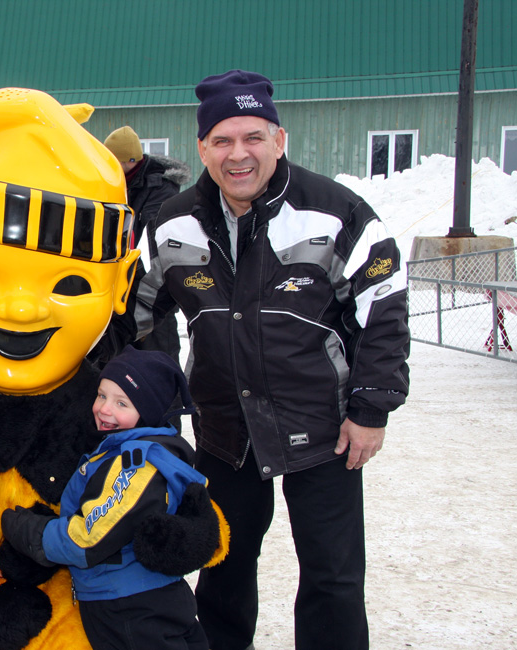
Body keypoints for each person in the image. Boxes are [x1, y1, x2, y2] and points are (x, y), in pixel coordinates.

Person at [132, 70, 410, 650]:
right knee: (224, 565)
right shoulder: (171, 224)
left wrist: (373, 408)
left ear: (279, 140)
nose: (240, 155)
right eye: (223, 140)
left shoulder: (334, 213)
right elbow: (133, 315)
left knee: (332, 575)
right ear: (202, 146)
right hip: (224, 429)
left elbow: (383, 309)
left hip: (324, 427)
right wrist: (132, 395)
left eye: (253, 137)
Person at [0, 345, 229, 650]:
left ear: (148, 412)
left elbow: (87, 539)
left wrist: (28, 531)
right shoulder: (127, 449)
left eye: (122, 403)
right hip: (150, 598)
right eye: (102, 395)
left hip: (128, 606)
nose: (105, 409)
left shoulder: (137, 466)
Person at [101, 126, 190, 369]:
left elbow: (152, 241)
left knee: (155, 356)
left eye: (117, 161)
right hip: (114, 284)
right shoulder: (108, 182)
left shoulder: (160, 188)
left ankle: (164, 406)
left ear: (132, 160)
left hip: (149, 284)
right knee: (114, 357)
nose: (111, 166)